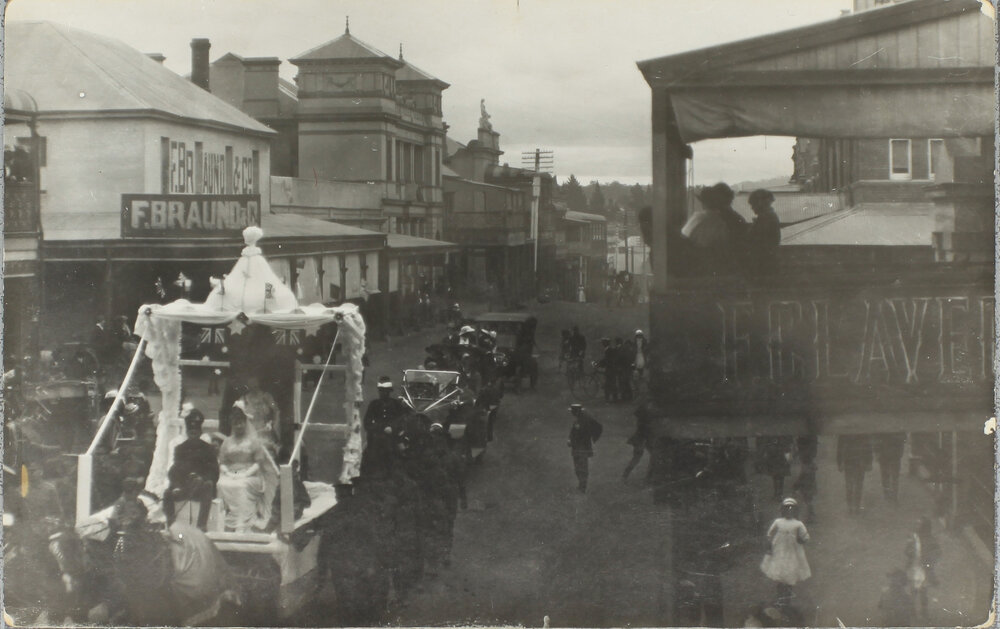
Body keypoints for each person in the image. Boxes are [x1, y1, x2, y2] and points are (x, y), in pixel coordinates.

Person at [216, 403, 279, 533]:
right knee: (221, 484)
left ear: (245, 423)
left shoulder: (253, 441)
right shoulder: (227, 442)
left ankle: (242, 522)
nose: (239, 426)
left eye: (241, 423)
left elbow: (258, 463)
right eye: (236, 423)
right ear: (232, 424)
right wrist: (229, 473)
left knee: (242, 486)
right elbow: (222, 462)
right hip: (231, 474)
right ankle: (225, 521)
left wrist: (245, 474)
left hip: (251, 476)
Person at [164, 406, 219, 530]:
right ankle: (171, 524)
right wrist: (177, 486)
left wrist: (202, 478)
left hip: (201, 488)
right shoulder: (180, 449)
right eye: (190, 432)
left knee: (208, 485)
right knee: (167, 493)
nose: (193, 434)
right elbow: (174, 471)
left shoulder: (208, 449)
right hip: (185, 487)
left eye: (196, 432)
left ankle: (201, 525)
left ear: (200, 432)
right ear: (187, 432)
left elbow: (214, 472)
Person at [760, 497, 811, 602]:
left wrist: (801, 540)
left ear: (795, 511)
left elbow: (806, 537)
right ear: (783, 510)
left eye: (792, 509)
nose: (789, 511)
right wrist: (769, 544)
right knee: (780, 568)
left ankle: (787, 594)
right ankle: (780, 594)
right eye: (787, 509)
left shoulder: (798, 524)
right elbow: (769, 533)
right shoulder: (778, 522)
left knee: (790, 569)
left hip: (792, 550)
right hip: (779, 549)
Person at [362, 376, 408, 476]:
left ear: (389, 391)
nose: (383, 393)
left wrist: (392, 428)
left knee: (402, 454)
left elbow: (402, 421)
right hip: (377, 437)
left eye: (386, 391)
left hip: (393, 437)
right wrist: (381, 428)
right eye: (381, 391)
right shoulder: (374, 404)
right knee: (368, 455)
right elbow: (367, 423)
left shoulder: (396, 404)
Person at [567, 404, 603, 493]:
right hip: (578, 447)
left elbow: (580, 433)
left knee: (581, 468)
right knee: (579, 468)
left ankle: (582, 487)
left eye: (572, 411)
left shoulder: (583, 420)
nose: (571, 413)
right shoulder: (579, 419)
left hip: (581, 447)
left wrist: (593, 438)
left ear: (576, 411)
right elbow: (574, 432)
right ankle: (581, 486)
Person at [238, 376, 280, 451]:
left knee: (266, 450)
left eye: (255, 383)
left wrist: (273, 423)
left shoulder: (266, 396)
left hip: (265, 430)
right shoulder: (244, 399)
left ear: (258, 383)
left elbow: (276, 410)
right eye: (251, 384)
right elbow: (238, 414)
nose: (253, 386)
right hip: (250, 430)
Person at [837, 434, 873, 515]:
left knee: (858, 485)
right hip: (849, 461)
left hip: (860, 461)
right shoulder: (845, 432)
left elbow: (868, 446)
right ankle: (850, 507)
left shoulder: (862, 431)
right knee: (850, 485)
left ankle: (856, 507)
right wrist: (839, 462)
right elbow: (840, 446)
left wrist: (869, 461)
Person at [747, 189, 781, 276]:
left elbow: (757, 240)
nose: (752, 208)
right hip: (768, 260)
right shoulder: (769, 216)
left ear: (760, 203)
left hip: (764, 262)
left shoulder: (766, 218)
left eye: (753, 204)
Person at [623, 401, 654, 483]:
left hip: (642, 437)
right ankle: (649, 476)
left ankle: (626, 474)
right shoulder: (646, 420)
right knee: (649, 455)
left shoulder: (642, 415)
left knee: (638, 457)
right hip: (644, 437)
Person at [875, 432, 906, 503]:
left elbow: (904, 438)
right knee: (885, 475)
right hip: (884, 453)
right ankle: (887, 495)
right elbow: (876, 437)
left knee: (894, 476)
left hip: (894, 454)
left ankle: (894, 496)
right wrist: (877, 451)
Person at [597, 338, 618, 402]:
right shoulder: (607, 350)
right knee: (611, 384)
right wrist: (600, 363)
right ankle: (612, 398)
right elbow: (605, 359)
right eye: (603, 343)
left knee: (609, 384)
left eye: (604, 343)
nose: (603, 344)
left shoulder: (609, 350)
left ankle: (609, 398)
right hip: (610, 369)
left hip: (610, 369)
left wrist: (600, 364)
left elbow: (607, 360)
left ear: (606, 343)